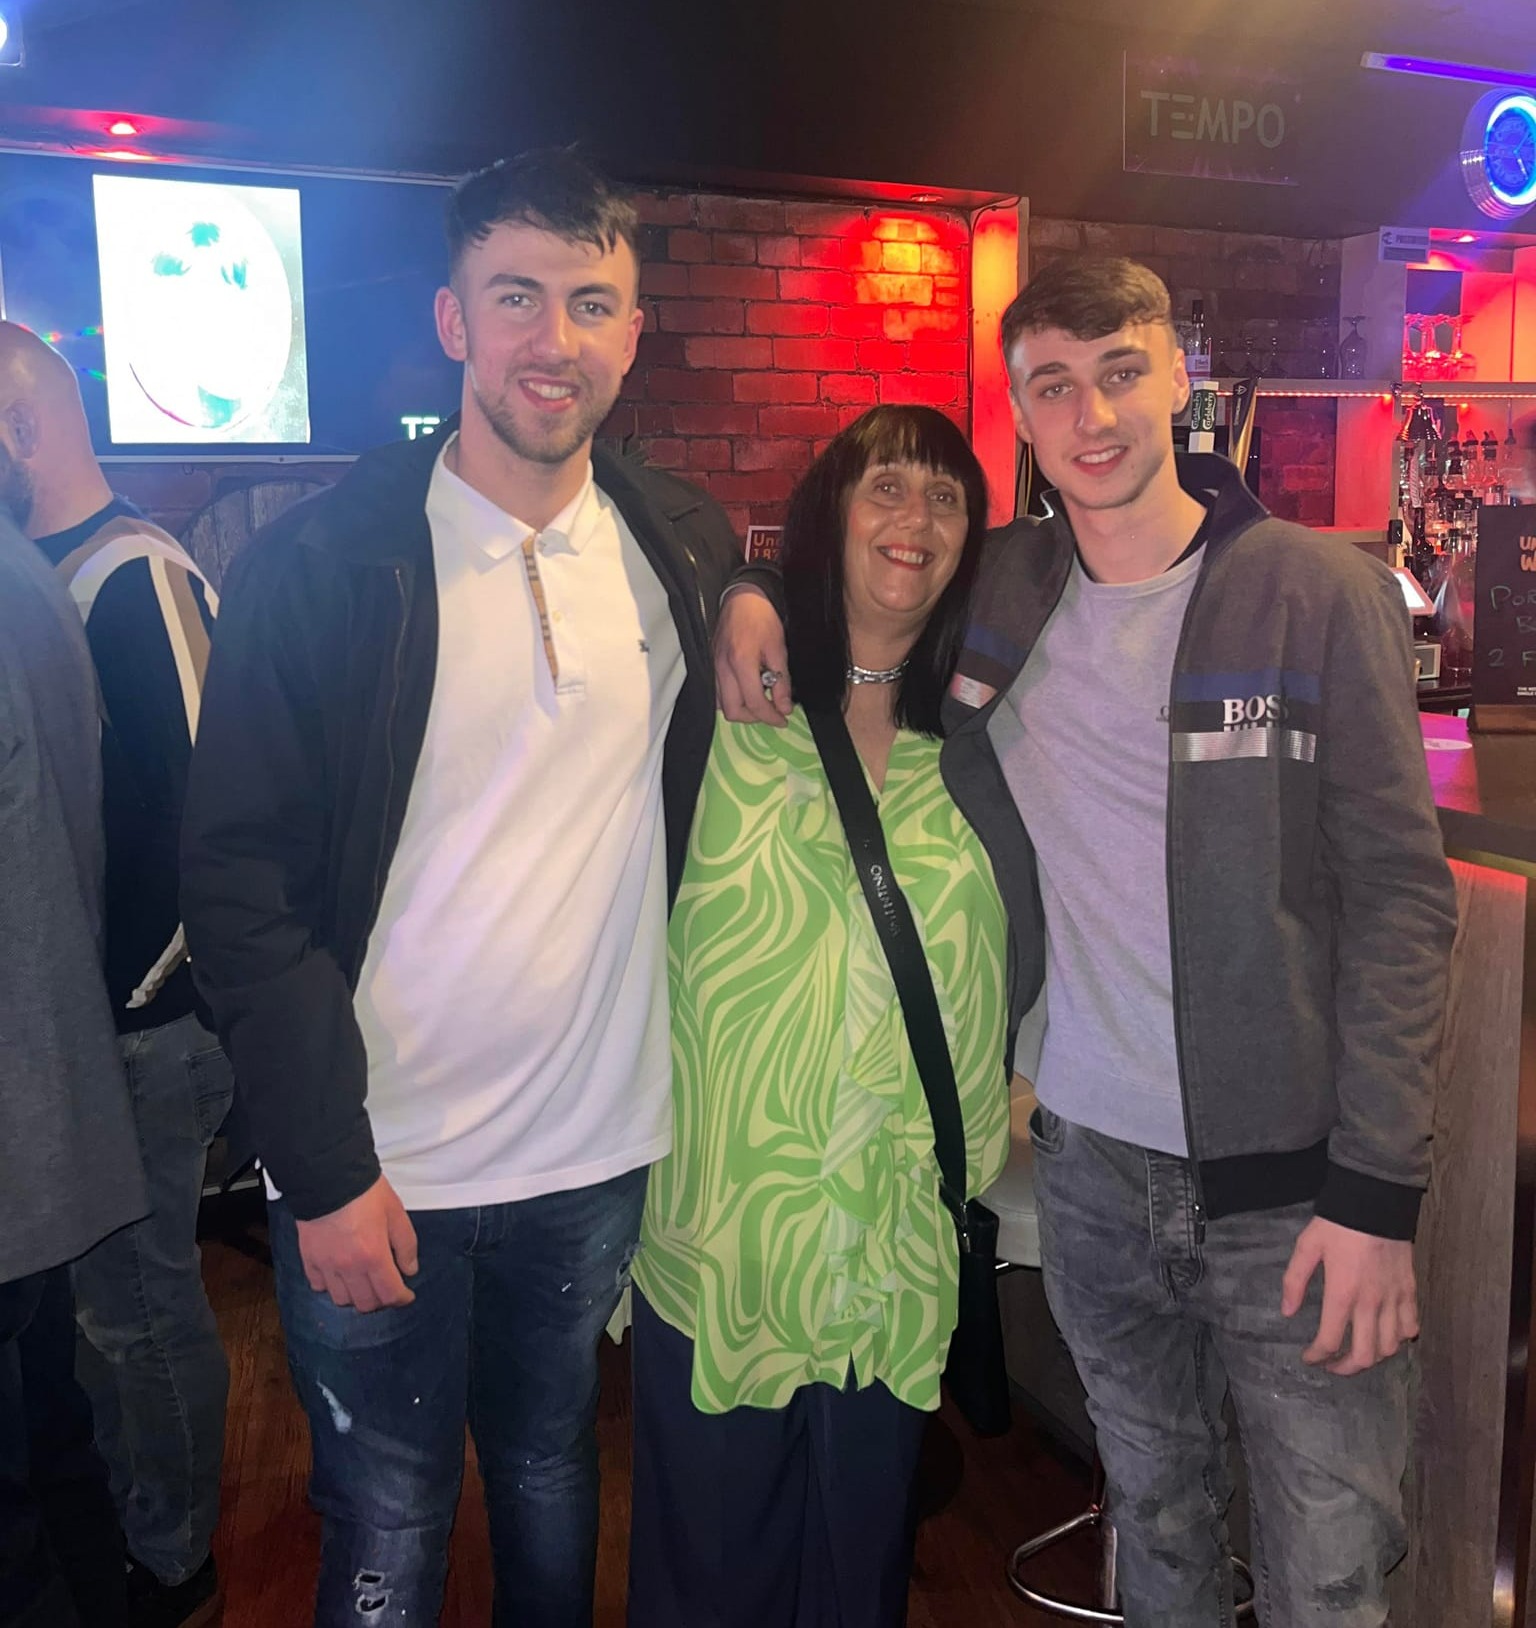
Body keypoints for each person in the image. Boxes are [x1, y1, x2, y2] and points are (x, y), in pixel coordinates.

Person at [716, 257, 1457, 1627]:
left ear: (1179, 378)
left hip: (1295, 1190)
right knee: (1159, 1540)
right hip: (1095, 1176)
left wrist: (1376, 1197)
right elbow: (854, 580)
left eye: (1121, 370)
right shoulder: (1003, 587)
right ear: (1023, 416)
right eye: (1053, 385)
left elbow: (1407, 905)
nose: (1093, 412)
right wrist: (749, 588)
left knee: (1332, 1572)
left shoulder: (1314, 591)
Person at [180, 147, 742, 1627]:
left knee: (555, 1466)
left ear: (632, 332)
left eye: (590, 302)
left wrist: (754, 600)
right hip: (385, 1166)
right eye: (517, 297)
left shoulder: (677, 551)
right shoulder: (324, 567)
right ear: (453, 321)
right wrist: (320, 1162)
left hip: (594, 1156)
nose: (553, 339)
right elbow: (238, 887)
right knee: (387, 1515)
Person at [628, 406, 1020, 1628]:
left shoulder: (984, 741)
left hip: (891, 1244)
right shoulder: (724, 706)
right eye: (885, 489)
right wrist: (748, 586)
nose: (916, 521)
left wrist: (1031, 1068)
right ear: (828, 514)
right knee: (711, 1571)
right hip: (728, 1232)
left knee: (854, 1583)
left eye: (947, 497)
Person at [0, 320, 230, 1628]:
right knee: (97, 1324)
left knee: (139, 1317)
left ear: (24, 424)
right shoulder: (50, 576)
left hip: (142, 1035)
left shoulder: (133, 575)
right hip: (92, 1038)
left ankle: (178, 1558)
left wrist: (116, 1003)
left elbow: (207, 830)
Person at [0, 507, 148, 1628]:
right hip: (44, 1078)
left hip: (26, 1098)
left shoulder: (116, 570)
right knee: (55, 1422)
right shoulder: (35, 576)